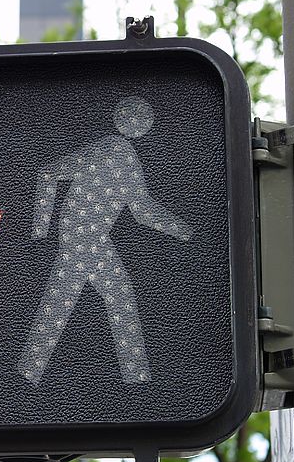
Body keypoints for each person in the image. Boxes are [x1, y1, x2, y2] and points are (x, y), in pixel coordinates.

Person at [20, 97, 191, 386]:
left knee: (63, 302)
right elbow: (48, 173)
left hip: (89, 238)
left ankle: (27, 375)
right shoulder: (111, 149)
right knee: (115, 298)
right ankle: (137, 381)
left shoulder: (125, 157)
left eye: (144, 119)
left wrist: (182, 231)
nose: (140, 124)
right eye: (137, 118)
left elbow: (141, 210)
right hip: (82, 237)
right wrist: (39, 230)